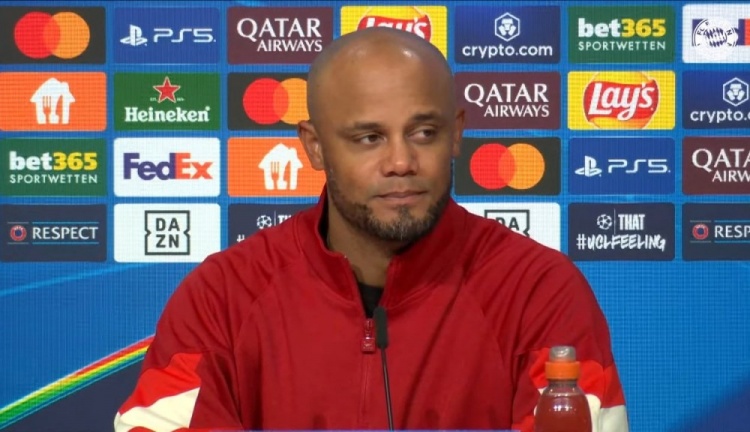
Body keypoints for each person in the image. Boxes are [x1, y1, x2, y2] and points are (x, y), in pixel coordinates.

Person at [114, 27, 628, 432]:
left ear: (456, 134)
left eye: (424, 132)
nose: (401, 161)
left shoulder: (538, 290)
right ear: (315, 146)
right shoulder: (224, 296)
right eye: (369, 138)